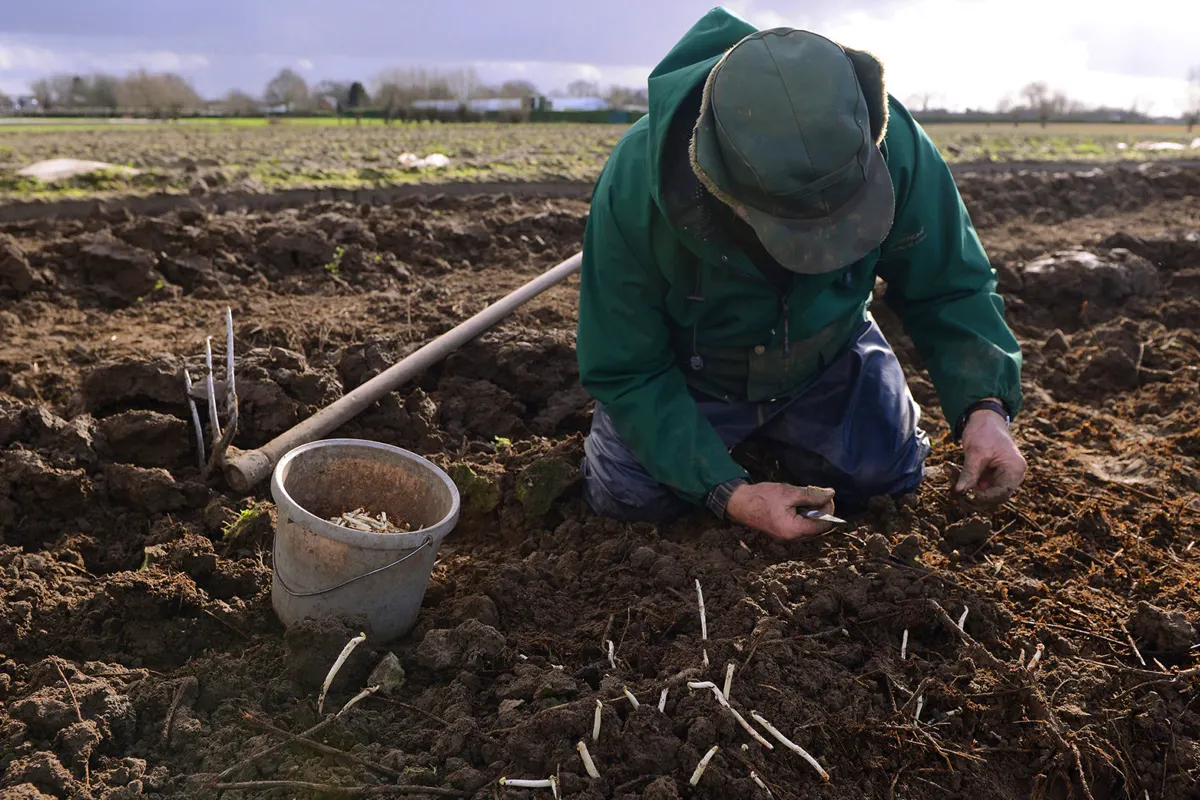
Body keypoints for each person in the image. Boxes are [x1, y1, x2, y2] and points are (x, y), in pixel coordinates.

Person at [575, 8, 1026, 541]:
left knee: (887, 480)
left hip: (826, 354)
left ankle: (796, 433)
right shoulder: (638, 185)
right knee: (628, 497)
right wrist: (731, 494)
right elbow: (628, 369)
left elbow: (951, 284)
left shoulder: (892, 140)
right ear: (721, 185)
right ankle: (720, 450)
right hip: (692, 374)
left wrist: (985, 406)